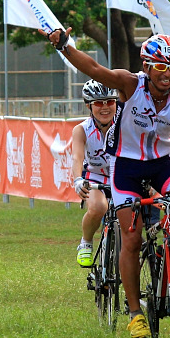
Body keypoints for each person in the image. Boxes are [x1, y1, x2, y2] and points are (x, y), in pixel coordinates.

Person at [41, 29, 170, 338]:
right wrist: (64, 45)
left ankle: (166, 253)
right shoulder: (130, 84)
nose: (167, 75)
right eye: (160, 67)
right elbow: (94, 69)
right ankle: (135, 313)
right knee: (130, 237)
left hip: (162, 164)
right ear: (147, 67)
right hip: (125, 166)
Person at [71, 80, 118, 267]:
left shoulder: (125, 126)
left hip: (122, 177)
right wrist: (77, 180)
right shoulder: (82, 130)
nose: (105, 107)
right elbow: (76, 157)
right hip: (96, 177)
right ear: (88, 105)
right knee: (98, 207)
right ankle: (86, 242)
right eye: (99, 103)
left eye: (110, 102)